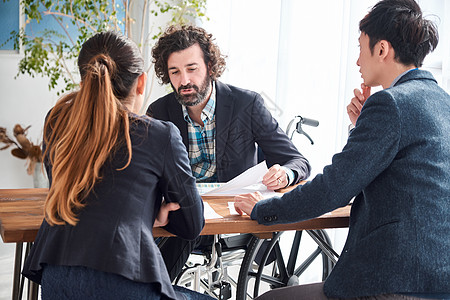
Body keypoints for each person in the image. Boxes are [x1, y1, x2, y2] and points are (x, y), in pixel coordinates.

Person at [235, 0, 450, 299]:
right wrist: (359, 127)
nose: (358, 61)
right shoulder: (442, 101)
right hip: (437, 279)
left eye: (360, 48)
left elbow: (334, 188)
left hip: (394, 279)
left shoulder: (390, 104)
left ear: (382, 49)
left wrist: (262, 209)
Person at [22, 31, 213, 300]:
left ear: (83, 81)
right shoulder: (160, 135)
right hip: (123, 282)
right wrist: (153, 212)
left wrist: (143, 212)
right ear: (140, 83)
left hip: (56, 280)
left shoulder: (56, 124)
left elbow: (78, 197)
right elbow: (192, 225)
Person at [147, 24, 311, 282]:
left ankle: (151, 288)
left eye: (192, 69)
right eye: (175, 72)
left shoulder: (247, 104)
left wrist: (285, 173)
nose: (184, 81)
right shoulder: (159, 112)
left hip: (233, 215)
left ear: (210, 67)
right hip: (184, 215)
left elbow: (296, 161)